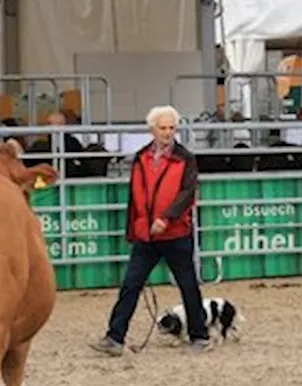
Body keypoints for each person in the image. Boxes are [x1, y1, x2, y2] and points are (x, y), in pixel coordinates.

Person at [90, 105, 211, 356]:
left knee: (188, 284)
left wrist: (167, 218)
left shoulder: (185, 158)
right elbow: (135, 196)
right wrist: (134, 228)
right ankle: (115, 337)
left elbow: (188, 193)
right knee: (131, 284)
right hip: (147, 234)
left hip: (175, 233)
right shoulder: (141, 157)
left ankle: (200, 335)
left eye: (171, 128)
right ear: (152, 129)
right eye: (163, 127)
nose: (167, 132)